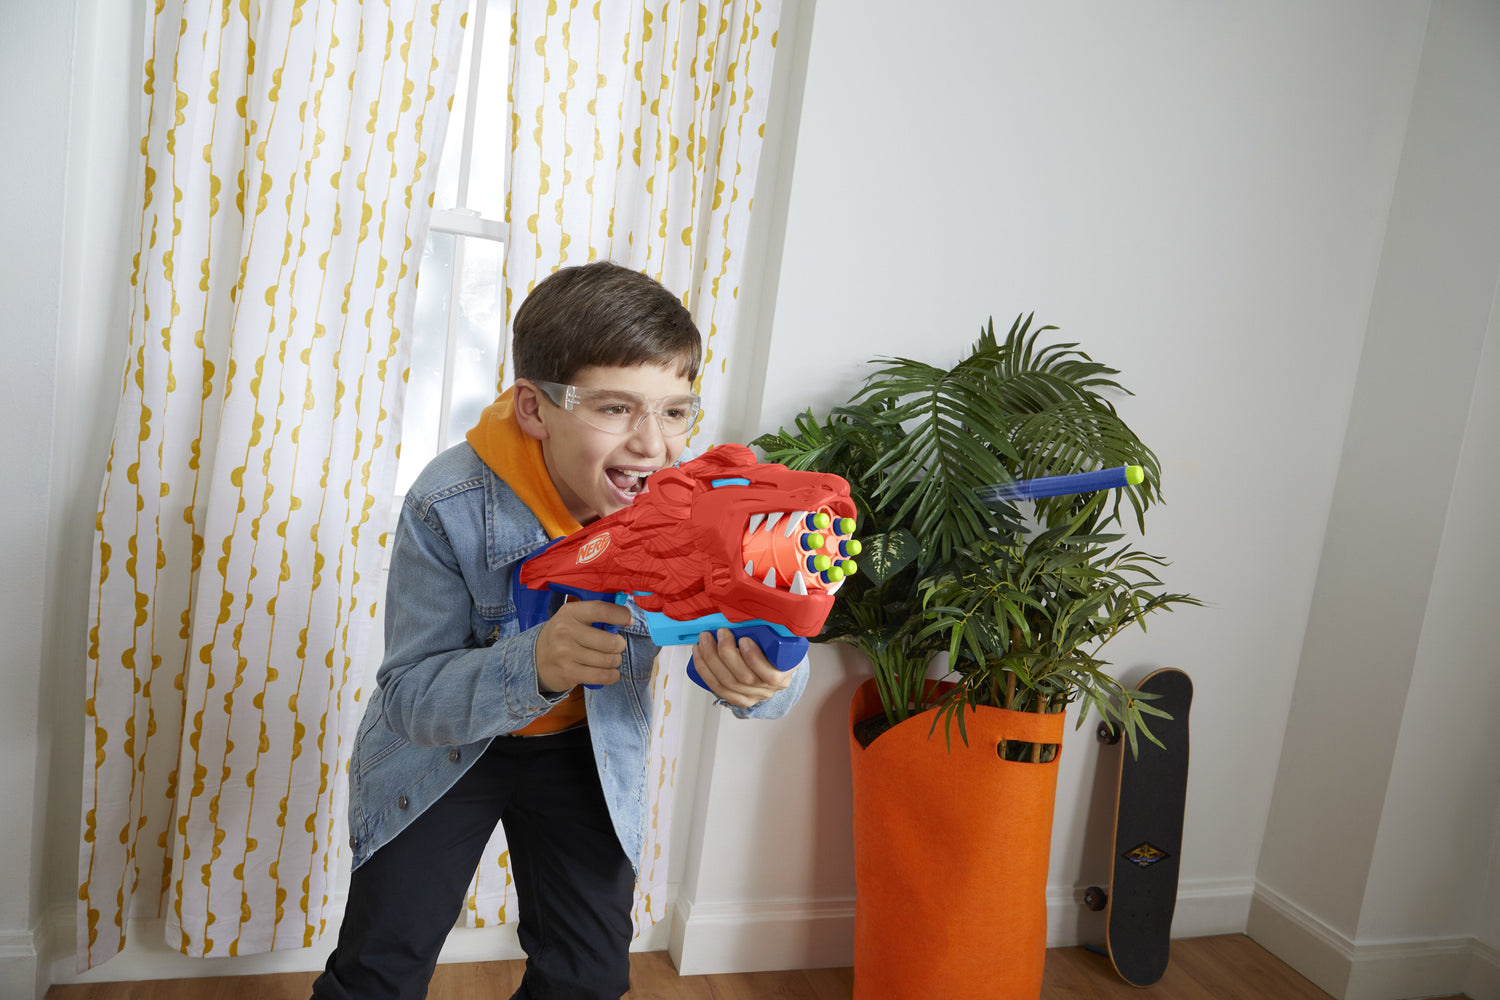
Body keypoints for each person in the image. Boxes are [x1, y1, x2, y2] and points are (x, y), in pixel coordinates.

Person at [311, 261, 809, 1000]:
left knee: (588, 977)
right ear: (534, 409)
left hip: (585, 749)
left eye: (676, 411)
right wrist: (535, 663)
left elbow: (767, 653)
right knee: (380, 969)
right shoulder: (446, 502)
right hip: (444, 751)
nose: (654, 445)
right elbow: (411, 699)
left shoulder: (698, 504)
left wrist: (768, 677)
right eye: (616, 408)